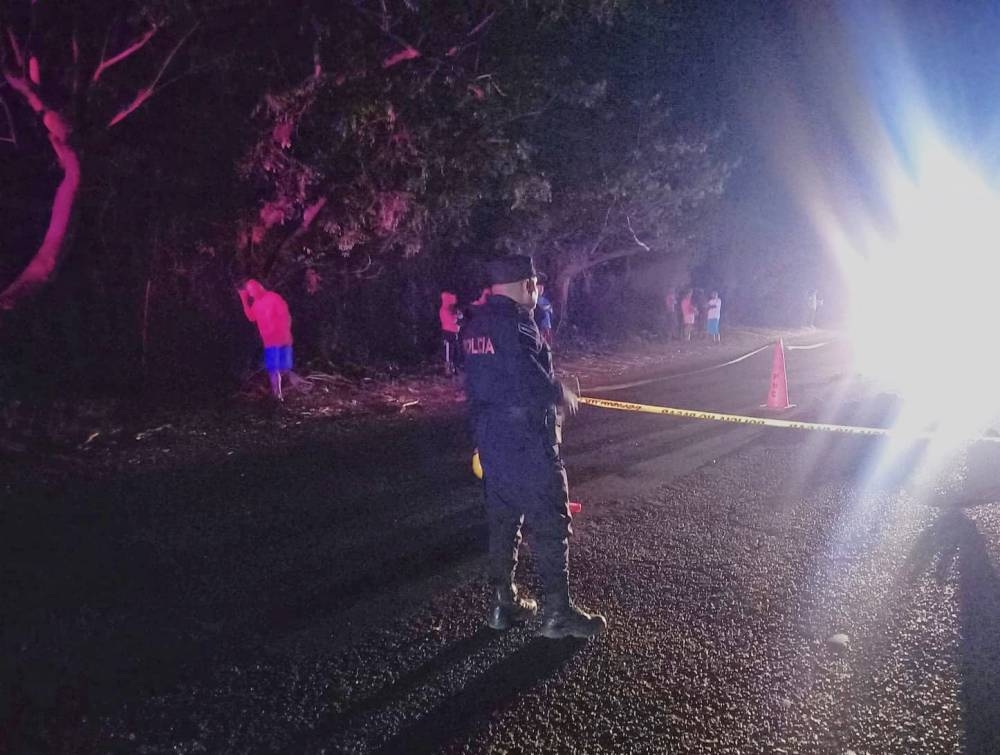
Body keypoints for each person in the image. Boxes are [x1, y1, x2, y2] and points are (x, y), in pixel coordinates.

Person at [463, 255, 606, 639]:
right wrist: (561, 392)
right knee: (551, 525)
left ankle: (502, 604)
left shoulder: (473, 326)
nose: (537, 290)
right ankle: (558, 615)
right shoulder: (517, 325)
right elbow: (531, 382)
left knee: (504, 523)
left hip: (492, 439)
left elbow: (476, 387)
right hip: (528, 440)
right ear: (528, 285)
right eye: (536, 284)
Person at [238, 279, 293, 401]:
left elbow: (285, 315)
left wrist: (280, 330)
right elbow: (251, 318)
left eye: (253, 289)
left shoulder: (273, 298)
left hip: (281, 338)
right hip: (269, 341)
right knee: (273, 369)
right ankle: (277, 396)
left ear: (260, 287)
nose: (252, 293)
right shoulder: (256, 304)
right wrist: (243, 300)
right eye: (249, 291)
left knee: (284, 368)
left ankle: (288, 391)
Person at [439, 291, 462, 376]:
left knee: (455, 351)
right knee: (448, 351)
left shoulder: (452, 309)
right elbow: (452, 320)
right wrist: (457, 319)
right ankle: (448, 369)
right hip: (447, 332)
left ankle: (454, 367)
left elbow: (460, 317)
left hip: (454, 332)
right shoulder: (444, 310)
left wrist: (458, 318)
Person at [535, 280, 555, 347]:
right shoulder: (533, 299)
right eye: (539, 287)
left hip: (546, 325)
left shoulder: (544, 300)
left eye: (542, 287)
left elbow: (550, 309)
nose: (541, 289)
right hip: (538, 324)